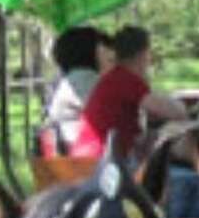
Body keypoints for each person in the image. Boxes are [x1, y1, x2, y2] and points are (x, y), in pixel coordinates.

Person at [72, 25, 187, 159]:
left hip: (98, 158)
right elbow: (176, 112)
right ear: (143, 54)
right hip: (102, 165)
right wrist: (181, 106)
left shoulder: (116, 76)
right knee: (185, 170)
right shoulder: (125, 78)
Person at [37, 27, 114, 157]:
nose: (110, 54)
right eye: (102, 48)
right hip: (84, 161)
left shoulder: (70, 79)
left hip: (73, 155)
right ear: (92, 51)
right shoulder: (84, 78)